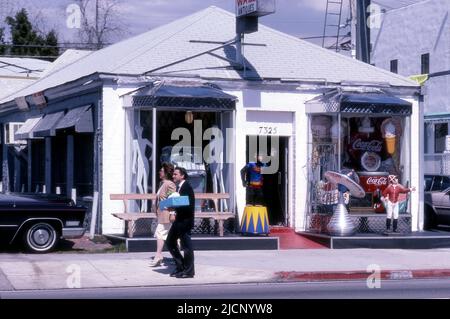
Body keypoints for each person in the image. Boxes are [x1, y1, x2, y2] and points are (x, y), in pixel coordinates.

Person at [166, 167, 196, 278]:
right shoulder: (179, 188)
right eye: (173, 174)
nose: (173, 176)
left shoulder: (186, 187)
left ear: (182, 176)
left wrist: (174, 208)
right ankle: (181, 266)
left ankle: (189, 271)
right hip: (179, 221)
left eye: (175, 174)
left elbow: (187, 205)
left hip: (185, 221)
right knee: (169, 242)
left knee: (186, 247)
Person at [149, 163, 176, 267]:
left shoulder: (169, 184)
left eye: (161, 171)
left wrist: (172, 213)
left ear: (166, 173)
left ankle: (158, 255)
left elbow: (173, 199)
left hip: (167, 213)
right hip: (162, 213)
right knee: (171, 236)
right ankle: (176, 256)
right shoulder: (162, 183)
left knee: (160, 233)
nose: (159, 172)